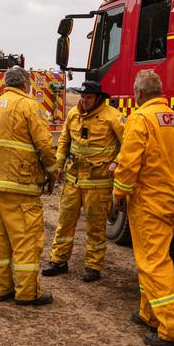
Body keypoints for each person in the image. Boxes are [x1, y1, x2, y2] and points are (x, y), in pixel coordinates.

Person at [113, 70, 174, 346]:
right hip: (171, 197)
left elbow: (129, 162)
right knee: (154, 256)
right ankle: (149, 312)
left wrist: (118, 193)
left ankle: (173, 329)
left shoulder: (140, 119)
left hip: (149, 201)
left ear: (140, 93)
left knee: (153, 263)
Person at [0, 67, 58, 306]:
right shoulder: (29, 106)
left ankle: (1, 289)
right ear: (25, 84)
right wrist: (52, 173)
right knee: (25, 240)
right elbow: (44, 144)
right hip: (18, 183)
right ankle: (27, 293)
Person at [42, 81, 125, 282]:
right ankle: (58, 261)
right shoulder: (73, 114)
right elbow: (63, 141)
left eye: (88, 97)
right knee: (64, 223)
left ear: (98, 98)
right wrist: (59, 165)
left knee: (96, 227)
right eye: (82, 96)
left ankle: (93, 266)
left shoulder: (113, 116)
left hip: (98, 183)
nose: (84, 100)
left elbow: (129, 144)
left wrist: (117, 162)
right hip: (73, 181)